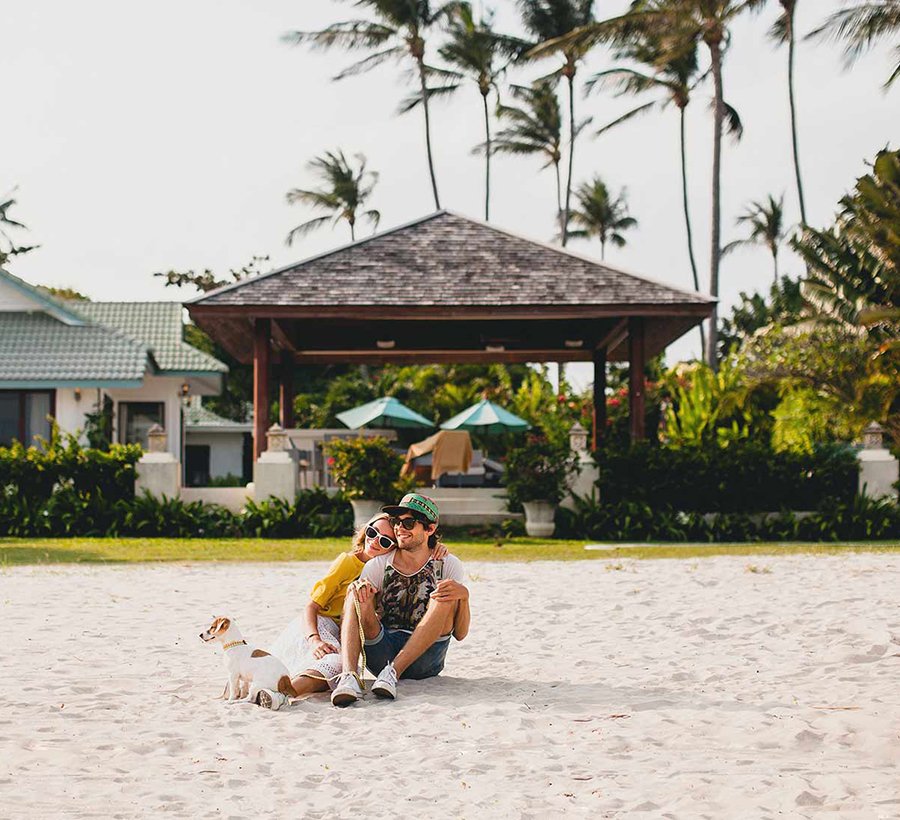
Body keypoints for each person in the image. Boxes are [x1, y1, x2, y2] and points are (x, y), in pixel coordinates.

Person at [331, 492, 470, 707]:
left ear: (430, 529)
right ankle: (349, 676)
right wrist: (363, 595)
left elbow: (460, 634)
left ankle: (394, 672)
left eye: (409, 522)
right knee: (355, 591)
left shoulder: (448, 565)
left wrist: (464, 596)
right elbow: (365, 615)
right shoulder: (379, 565)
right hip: (382, 654)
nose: (399, 528)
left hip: (426, 659)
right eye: (397, 522)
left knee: (444, 595)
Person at [259, 512, 399, 710]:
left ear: (394, 549)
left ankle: (279, 692)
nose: (375, 541)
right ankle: (280, 694)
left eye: (384, 541)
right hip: (319, 626)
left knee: (341, 671)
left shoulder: (387, 573)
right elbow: (311, 606)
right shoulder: (347, 563)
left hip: (342, 636)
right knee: (337, 665)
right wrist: (314, 639)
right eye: (372, 532)